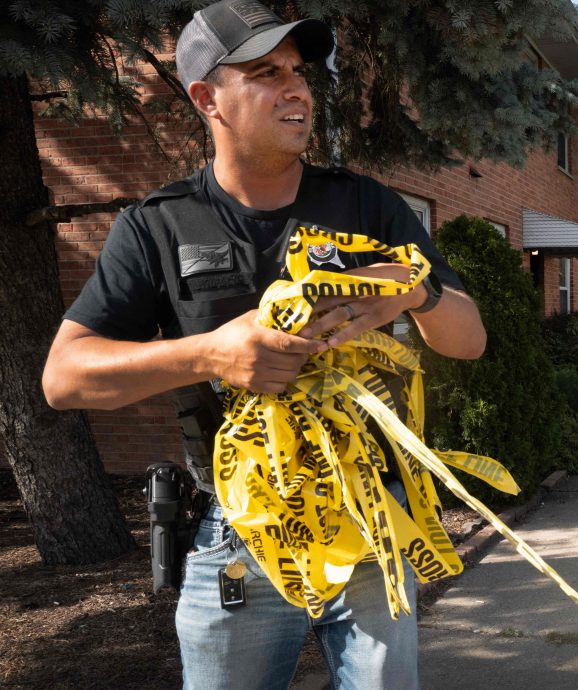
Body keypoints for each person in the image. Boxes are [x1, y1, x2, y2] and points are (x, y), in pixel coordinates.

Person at [41, 2, 486, 687]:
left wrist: (414, 293)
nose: (297, 88)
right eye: (264, 72)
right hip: (238, 533)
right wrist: (210, 353)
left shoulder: (367, 206)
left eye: (300, 73)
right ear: (205, 98)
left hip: (370, 525)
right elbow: (64, 378)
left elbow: (468, 341)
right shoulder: (156, 226)